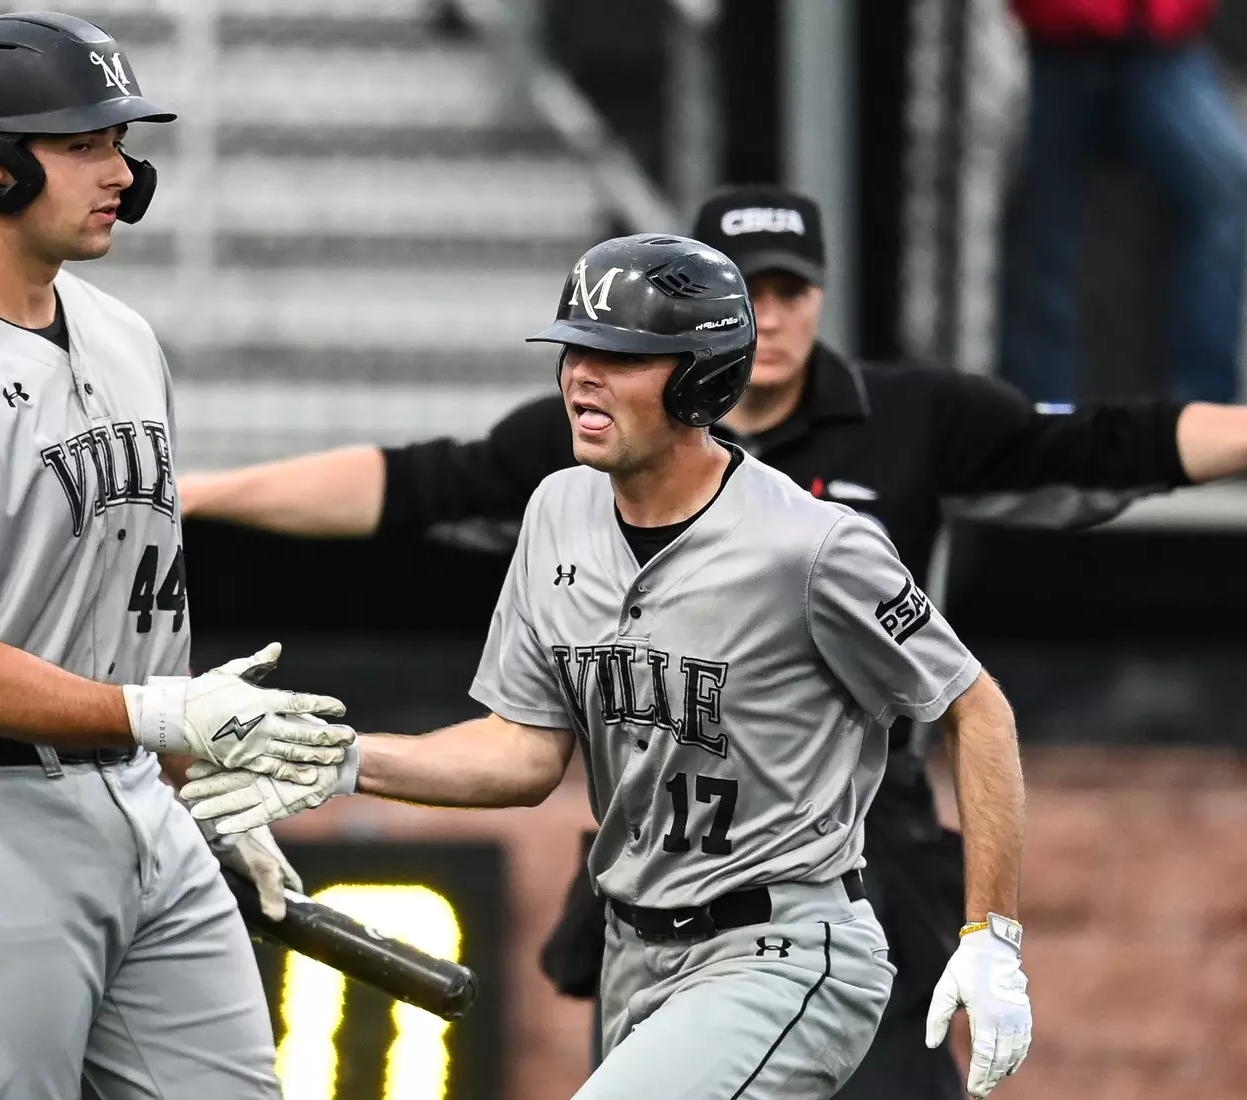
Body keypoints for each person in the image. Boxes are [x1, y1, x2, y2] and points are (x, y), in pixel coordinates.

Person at [179, 184, 1247, 1099]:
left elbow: (977, 702)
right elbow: (518, 751)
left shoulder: (814, 542)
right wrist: (345, 757)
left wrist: (994, 936)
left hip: (789, 945)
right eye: (574, 351)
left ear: (695, 377)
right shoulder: (556, 506)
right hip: (637, 943)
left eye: (619, 355)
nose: (580, 376)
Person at [0, 14, 352, 1100]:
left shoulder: (120, 333)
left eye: (120, 140)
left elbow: (116, 602)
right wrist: (165, 715)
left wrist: (186, 777)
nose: (122, 169)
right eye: (87, 143)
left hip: (138, 806)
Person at [1002, 0, 1247, 404]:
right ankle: (1045, 421)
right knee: (1044, 242)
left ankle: (1199, 414)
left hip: (1165, 47)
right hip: (1056, 43)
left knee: (1224, 187)